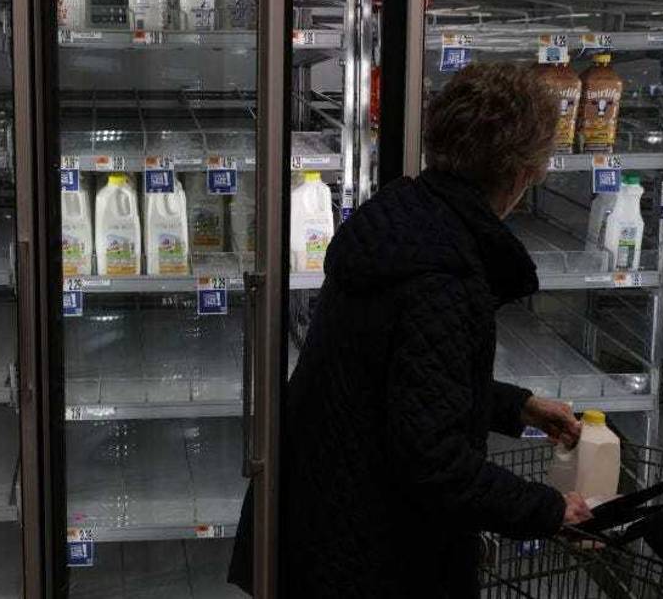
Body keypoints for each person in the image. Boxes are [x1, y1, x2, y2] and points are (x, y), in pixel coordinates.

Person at [228, 62, 593, 597]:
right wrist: (545, 508)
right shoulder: (442, 274)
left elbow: (400, 380)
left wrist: (516, 406)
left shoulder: (400, 222)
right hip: (369, 551)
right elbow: (433, 461)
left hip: (322, 520)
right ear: (523, 176)